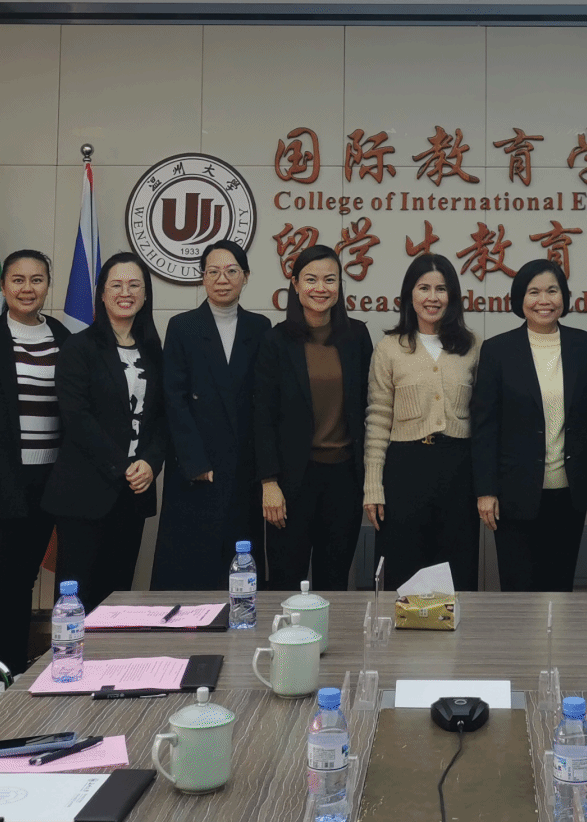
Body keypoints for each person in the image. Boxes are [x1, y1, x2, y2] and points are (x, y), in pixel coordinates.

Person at [0, 248, 76, 683]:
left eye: (37, 279)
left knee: (22, 582)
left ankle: (14, 676)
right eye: (18, 280)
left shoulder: (63, 338)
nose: (27, 288)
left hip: (49, 484)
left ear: (47, 286)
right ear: (4, 286)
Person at [470, 259, 587, 592]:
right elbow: (485, 427)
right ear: (520, 298)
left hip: (569, 492)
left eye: (552, 290)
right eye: (533, 292)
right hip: (513, 493)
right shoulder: (498, 350)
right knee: (517, 590)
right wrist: (485, 490)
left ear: (564, 296)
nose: (544, 300)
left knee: (559, 588)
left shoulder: (585, 346)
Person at [45, 250, 168, 609]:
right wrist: (123, 465)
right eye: (116, 285)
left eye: (134, 285)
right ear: (101, 293)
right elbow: (77, 417)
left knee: (117, 598)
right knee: (77, 600)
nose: (125, 292)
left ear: (145, 294)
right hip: (84, 494)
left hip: (134, 494)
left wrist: (151, 463)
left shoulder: (154, 351)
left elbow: (163, 417)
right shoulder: (79, 347)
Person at [150, 239, 273, 590]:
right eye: (213, 271)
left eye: (232, 271)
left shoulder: (260, 328)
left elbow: (265, 401)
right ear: (202, 277)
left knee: (238, 569)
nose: (222, 279)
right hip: (195, 468)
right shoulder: (182, 326)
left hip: (243, 469)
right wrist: (195, 462)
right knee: (190, 569)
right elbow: (173, 399)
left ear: (245, 276)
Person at [255, 244, 374, 590]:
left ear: (339, 286)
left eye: (329, 280)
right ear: (295, 284)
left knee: (333, 581)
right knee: (285, 580)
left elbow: (371, 406)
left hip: (344, 479)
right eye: (311, 279)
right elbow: (262, 416)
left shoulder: (356, 336)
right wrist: (269, 483)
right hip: (292, 481)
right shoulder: (275, 340)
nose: (321, 288)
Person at [364, 253, 481, 590]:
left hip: (459, 471)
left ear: (452, 296)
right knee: (402, 573)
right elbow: (378, 420)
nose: (433, 297)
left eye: (441, 289)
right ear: (409, 294)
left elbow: (485, 421)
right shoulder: (389, 348)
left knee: (456, 574)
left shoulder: (472, 347)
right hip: (405, 471)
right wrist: (373, 486)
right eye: (424, 288)